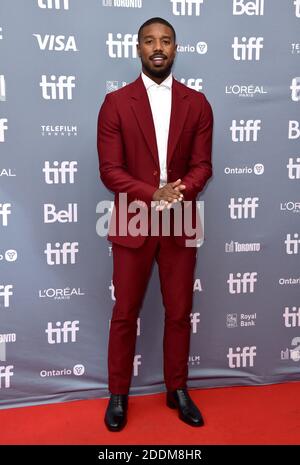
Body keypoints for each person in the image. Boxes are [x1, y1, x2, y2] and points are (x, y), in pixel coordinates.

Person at [97, 17, 213, 432]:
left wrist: (180, 191)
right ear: (138, 48)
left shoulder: (197, 103)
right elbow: (110, 171)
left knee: (179, 311)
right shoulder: (115, 103)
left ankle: (177, 389)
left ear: (176, 48)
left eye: (165, 40)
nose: (157, 47)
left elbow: (203, 165)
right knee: (125, 311)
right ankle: (118, 394)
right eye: (150, 41)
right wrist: (153, 194)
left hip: (180, 217)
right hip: (133, 217)